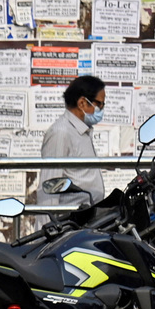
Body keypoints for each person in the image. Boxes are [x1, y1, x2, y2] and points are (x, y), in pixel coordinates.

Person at [35, 75, 107, 212]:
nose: (101, 109)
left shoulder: (82, 131)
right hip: (71, 217)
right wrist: (49, 224)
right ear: (82, 103)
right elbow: (48, 187)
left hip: (88, 214)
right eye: (99, 104)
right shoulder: (61, 133)